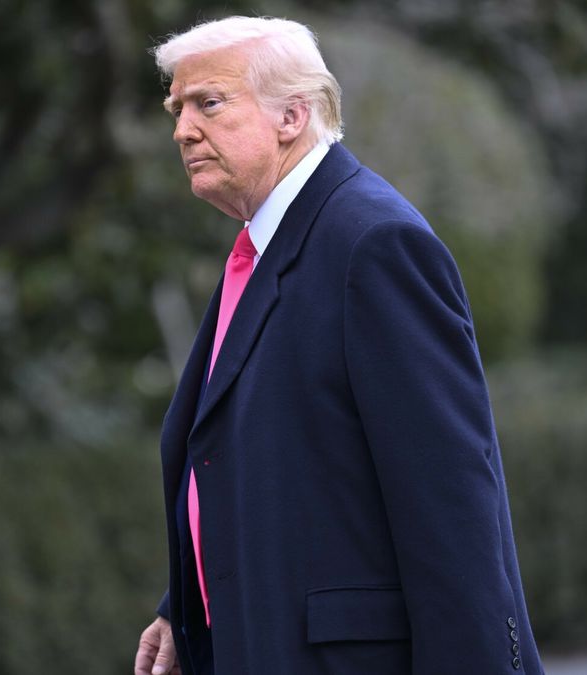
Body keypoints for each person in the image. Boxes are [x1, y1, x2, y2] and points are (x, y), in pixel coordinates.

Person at [134, 16, 544, 675]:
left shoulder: (372, 244)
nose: (182, 129)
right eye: (176, 107)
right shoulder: (268, 243)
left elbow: (451, 505)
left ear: (292, 116)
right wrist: (188, 604)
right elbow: (271, 465)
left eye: (208, 103)